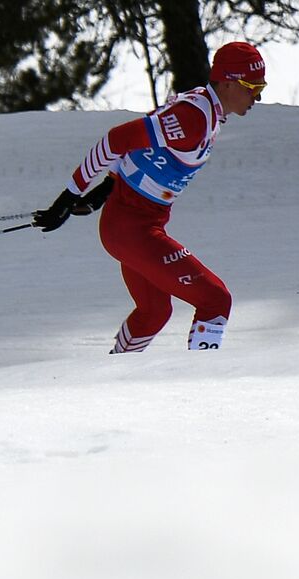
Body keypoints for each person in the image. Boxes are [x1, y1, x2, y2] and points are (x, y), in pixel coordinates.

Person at [34, 41, 267, 354]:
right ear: (227, 82)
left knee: (154, 311)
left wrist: (109, 185)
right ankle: (203, 380)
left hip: (133, 224)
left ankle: (112, 378)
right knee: (215, 300)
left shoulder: (204, 110)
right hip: (132, 230)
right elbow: (117, 139)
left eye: (261, 86)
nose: (258, 95)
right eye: (252, 86)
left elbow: (142, 146)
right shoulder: (193, 119)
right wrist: (69, 195)